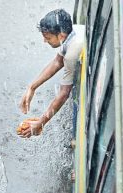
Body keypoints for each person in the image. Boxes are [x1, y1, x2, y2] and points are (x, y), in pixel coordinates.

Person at [18, 9, 84, 138]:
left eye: (47, 38)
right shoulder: (73, 31)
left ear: (61, 36)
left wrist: (41, 124)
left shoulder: (72, 53)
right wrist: (32, 87)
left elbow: (64, 94)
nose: (44, 41)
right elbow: (57, 62)